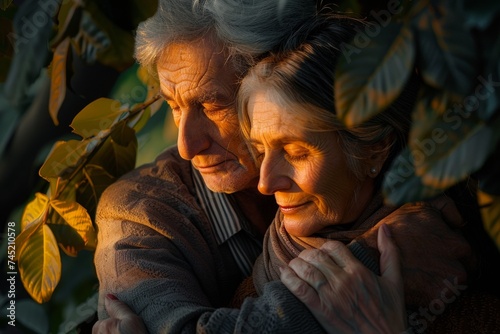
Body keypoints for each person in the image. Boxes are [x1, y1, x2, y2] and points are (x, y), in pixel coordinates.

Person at [92, 0, 476, 333]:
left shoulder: (420, 187)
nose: (187, 145)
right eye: (174, 105)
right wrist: (376, 259)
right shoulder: (138, 215)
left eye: (213, 105)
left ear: (277, 73)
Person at [235, 14, 497, 333]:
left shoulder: (460, 292)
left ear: (374, 149)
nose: (264, 182)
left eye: (295, 152)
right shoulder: (256, 288)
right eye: (260, 152)